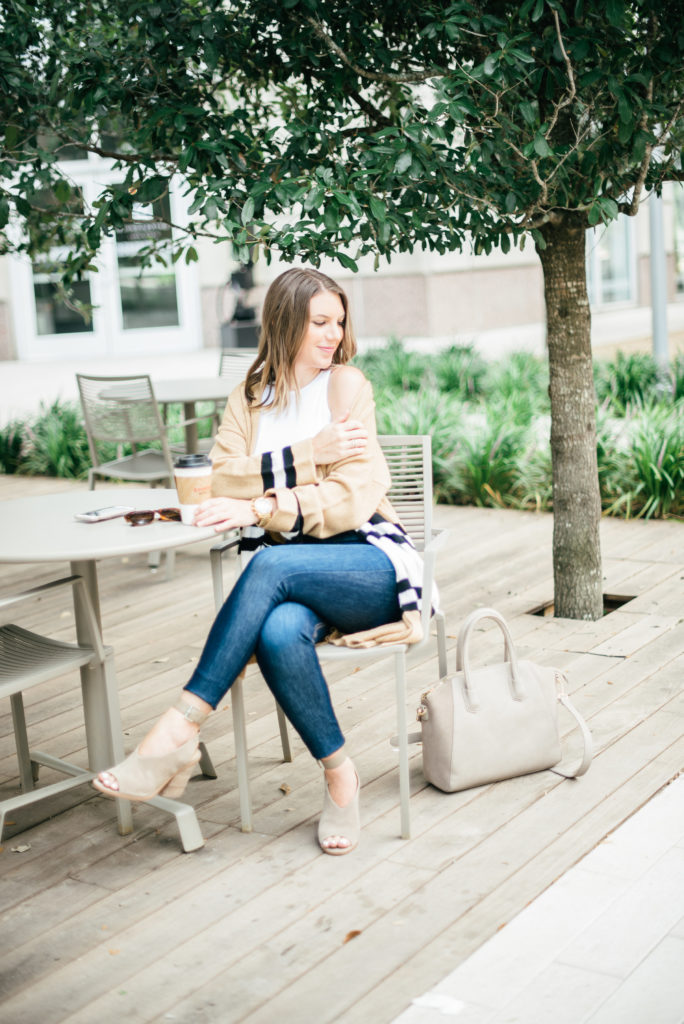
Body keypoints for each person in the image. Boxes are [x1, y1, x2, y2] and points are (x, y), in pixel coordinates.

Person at [94, 266, 428, 856]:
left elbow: (354, 495)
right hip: (291, 575)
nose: (333, 333)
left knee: (268, 567)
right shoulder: (250, 397)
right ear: (285, 321)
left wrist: (262, 502)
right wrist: (307, 454)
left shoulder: (347, 387)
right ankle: (340, 775)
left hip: (368, 565)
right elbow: (219, 475)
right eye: (319, 321)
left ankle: (177, 730)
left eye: (339, 321)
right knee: (276, 633)